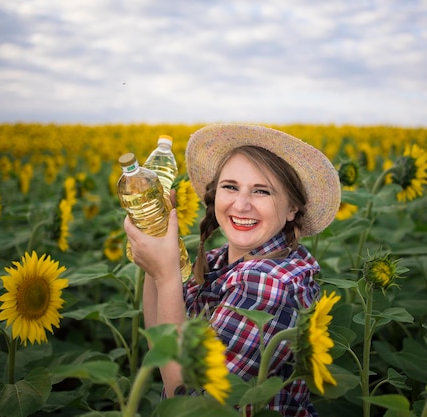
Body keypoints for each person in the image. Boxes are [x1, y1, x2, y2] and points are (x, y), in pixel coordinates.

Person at [123, 124, 341, 416]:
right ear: (215, 195)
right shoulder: (218, 260)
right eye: (230, 186)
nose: (241, 204)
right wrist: (157, 245)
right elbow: (160, 345)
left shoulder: (269, 282)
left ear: (292, 209)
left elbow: (189, 397)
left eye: (261, 191)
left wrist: (166, 276)